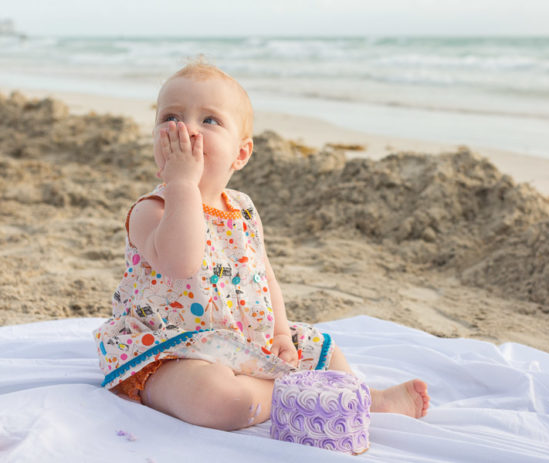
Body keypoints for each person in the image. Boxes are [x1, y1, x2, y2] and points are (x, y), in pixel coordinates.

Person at [93, 61, 430, 431]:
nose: (187, 129)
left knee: (325, 349)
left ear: (241, 153)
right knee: (218, 401)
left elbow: (263, 274)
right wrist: (183, 185)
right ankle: (293, 394)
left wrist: (282, 334)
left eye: (209, 121)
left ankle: (366, 398)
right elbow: (181, 262)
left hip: (246, 340)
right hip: (169, 349)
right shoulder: (151, 211)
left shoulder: (243, 209)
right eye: (170, 117)